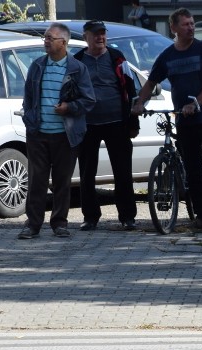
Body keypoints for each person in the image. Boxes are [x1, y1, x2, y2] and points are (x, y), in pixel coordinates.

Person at [132, 8, 202, 232]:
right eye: (186, 24)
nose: (191, 27)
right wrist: (140, 103)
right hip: (186, 124)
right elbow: (150, 83)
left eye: (192, 23)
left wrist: (196, 102)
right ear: (174, 28)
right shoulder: (168, 56)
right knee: (194, 171)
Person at [18, 23, 95, 240]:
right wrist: (29, 120)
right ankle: (32, 224)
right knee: (36, 181)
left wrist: (69, 108)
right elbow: (29, 98)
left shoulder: (77, 69)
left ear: (63, 42)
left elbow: (89, 100)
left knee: (62, 181)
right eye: (45, 38)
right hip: (38, 133)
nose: (46, 41)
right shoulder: (37, 65)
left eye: (50, 38)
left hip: (65, 134)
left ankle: (59, 223)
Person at [74, 20, 139, 232]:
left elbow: (130, 89)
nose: (100, 37)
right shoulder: (77, 61)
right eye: (96, 34)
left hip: (116, 123)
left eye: (103, 34)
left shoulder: (117, 58)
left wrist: (132, 120)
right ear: (86, 37)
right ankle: (90, 217)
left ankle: (127, 216)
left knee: (122, 171)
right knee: (86, 173)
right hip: (88, 124)